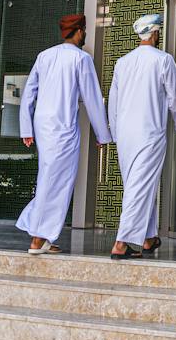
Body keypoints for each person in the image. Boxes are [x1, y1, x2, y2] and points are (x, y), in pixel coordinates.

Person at [15, 13, 109, 255]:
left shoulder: (44, 56)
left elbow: (29, 93)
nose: (85, 34)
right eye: (84, 30)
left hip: (42, 126)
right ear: (79, 31)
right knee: (60, 182)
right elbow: (93, 98)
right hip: (64, 126)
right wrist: (102, 134)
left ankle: (41, 234)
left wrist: (26, 128)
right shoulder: (81, 58)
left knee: (49, 177)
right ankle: (38, 238)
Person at [107, 13, 176, 259]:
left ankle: (148, 238)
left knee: (139, 184)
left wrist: (115, 132)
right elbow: (175, 96)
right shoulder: (163, 60)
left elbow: (113, 102)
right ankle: (121, 243)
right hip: (149, 134)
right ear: (154, 33)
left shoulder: (122, 62)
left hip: (125, 135)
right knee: (139, 187)